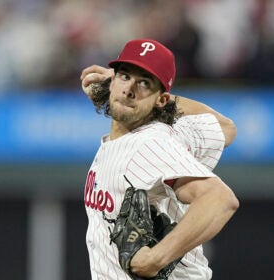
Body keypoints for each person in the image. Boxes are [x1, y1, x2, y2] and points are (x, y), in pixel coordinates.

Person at [80, 38, 239, 280]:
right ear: (111, 81)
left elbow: (219, 198)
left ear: (162, 100)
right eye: (124, 76)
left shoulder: (149, 145)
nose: (129, 89)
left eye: (144, 83)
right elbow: (226, 127)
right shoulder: (176, 132)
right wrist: (154, 99)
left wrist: (156, 258)